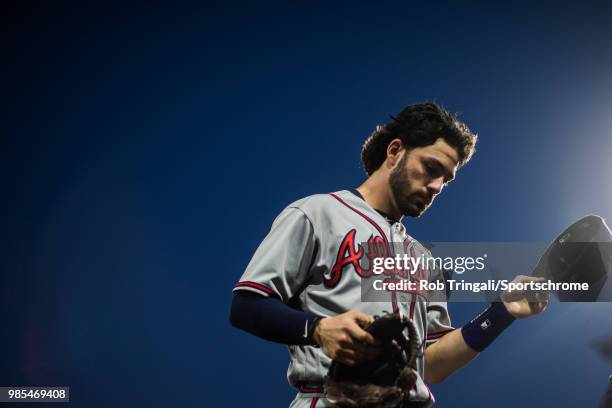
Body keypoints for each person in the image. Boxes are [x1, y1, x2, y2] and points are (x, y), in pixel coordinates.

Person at [230, 102, 548, 407]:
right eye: (430, 167)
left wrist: (501, 312)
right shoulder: (318, 213)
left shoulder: (425, 261)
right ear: (395, 152)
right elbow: (247, 304)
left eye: (445, 180)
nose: (437, 186)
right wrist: (316, 329)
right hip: (330, 399)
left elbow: (432, 365)